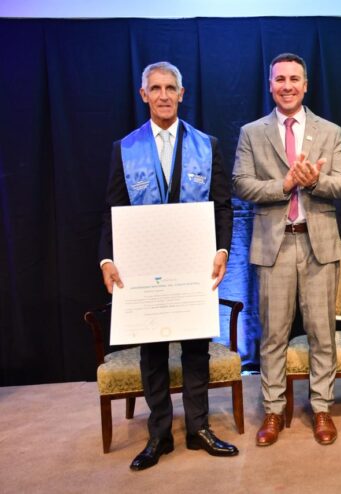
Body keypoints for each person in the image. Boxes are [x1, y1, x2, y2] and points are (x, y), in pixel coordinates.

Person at [99, 61, 238, 470]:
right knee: (153, 351)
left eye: (170, 88)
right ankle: (158, 434)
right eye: (155, 88)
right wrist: (107, 258)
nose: (163, 95)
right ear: (144, 95)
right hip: (145, 267)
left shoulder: (207, 145)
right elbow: (112, 209)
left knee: (196, 349)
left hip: (193, 264)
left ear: (181, 94)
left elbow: (223, 205)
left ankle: (198, 428)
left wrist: (222, 250)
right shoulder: (126, 148)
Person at [233, 53, 341, 446]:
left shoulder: (329, 131)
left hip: (318, 244)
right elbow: (240, 183)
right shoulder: (252, 132)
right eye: (280, 79)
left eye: (294, 79)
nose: (287, 86)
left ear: (306, 85)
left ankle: (321, 409)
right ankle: (273, 411)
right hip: (274, 245)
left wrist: (315, 181)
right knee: (273, 335)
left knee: (322, 333)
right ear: (271, 85)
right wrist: (283, 185)